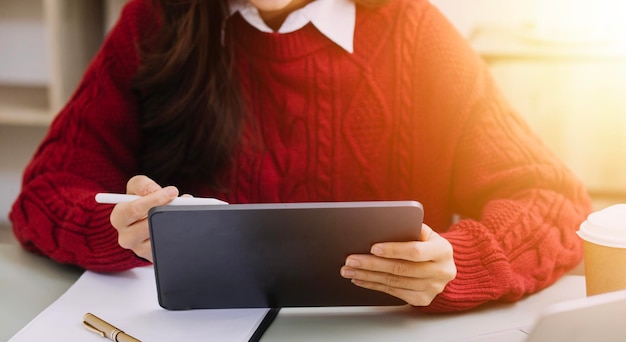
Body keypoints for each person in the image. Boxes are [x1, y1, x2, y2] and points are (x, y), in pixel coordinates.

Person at [10, 0, 592, 313]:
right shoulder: (157, 18)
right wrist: (118, 231)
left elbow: (555, 202)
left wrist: (460, 263)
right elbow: (45, 193)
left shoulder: (413, 30)